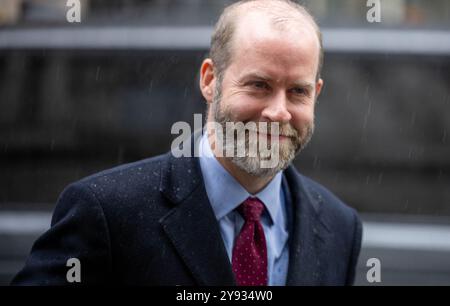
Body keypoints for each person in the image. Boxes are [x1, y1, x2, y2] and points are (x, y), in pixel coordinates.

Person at [12, 0, 362, 286]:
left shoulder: (339, 227)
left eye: (297, 92)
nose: (278, 112)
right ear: (210, 80)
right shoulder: (107, 213)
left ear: (315, 94)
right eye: (258, 85)